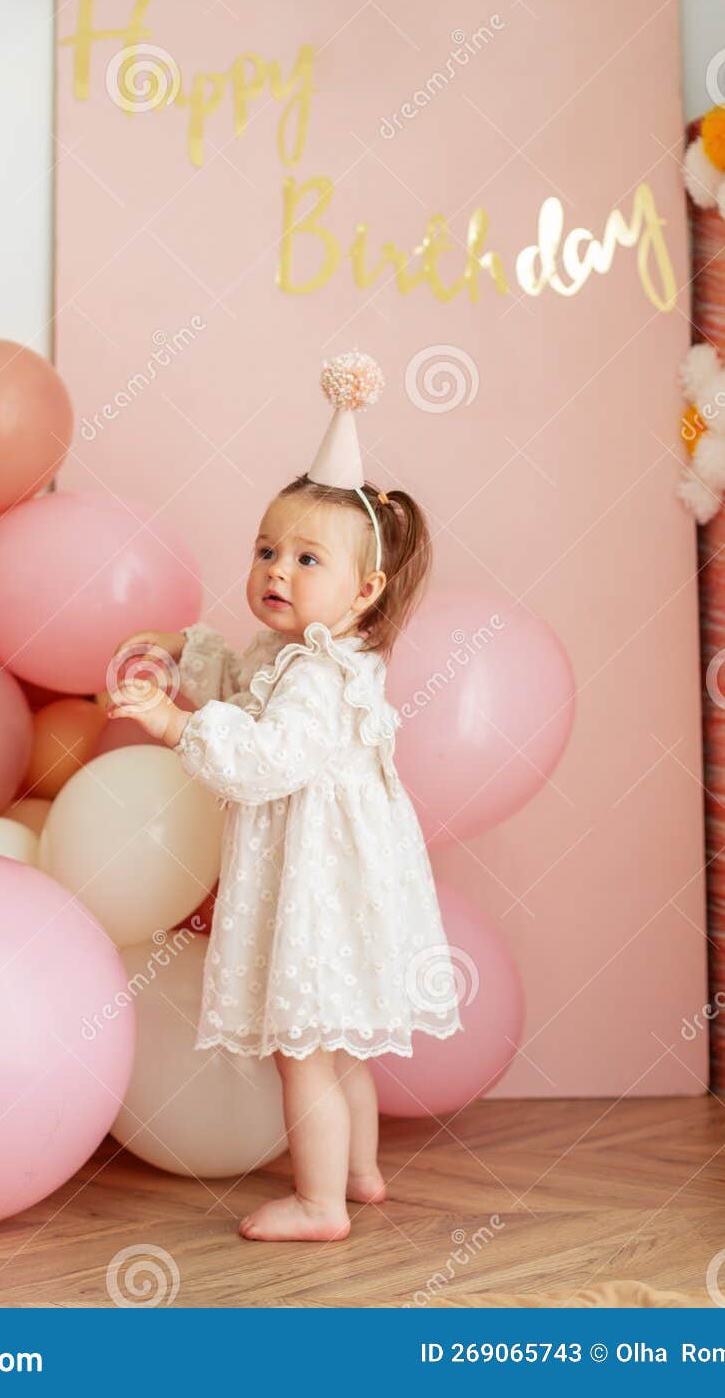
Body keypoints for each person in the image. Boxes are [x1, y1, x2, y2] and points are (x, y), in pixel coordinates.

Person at [107, 351, 462, 1241]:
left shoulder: (317, 675)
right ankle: (362, 1171)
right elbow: (235, 677)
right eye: (266, 550)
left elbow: (260, 758)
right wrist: (182, 654)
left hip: (318, 889)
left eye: (306, 558)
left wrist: (168, 725)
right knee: (338, 1047)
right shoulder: (292, 653)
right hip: (340, 882)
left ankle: (319, 1203)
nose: (275, 569)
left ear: (365, 590)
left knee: (302, 1049)